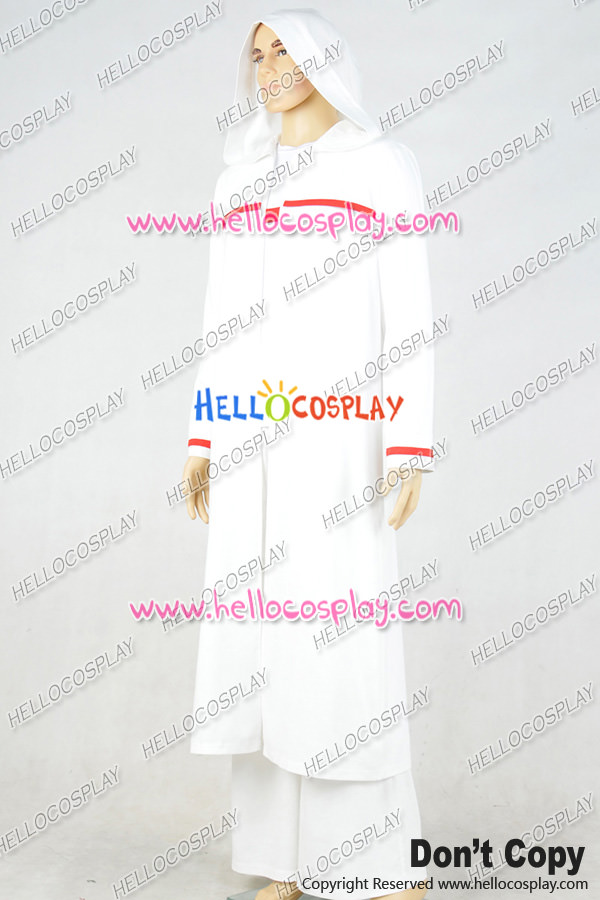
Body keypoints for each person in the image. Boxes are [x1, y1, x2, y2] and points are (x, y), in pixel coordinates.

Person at [182, 9, 435, 900]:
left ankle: (386, 865)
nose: (269, 67)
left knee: (342, 644)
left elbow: (409, 311)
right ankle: (288, 862)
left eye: (284, 48)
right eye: (257, 54)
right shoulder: (239, 183)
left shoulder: (381, 167)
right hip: (250, 444)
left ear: (325, 57)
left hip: (341, 444)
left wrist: (408, 442)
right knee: (264, 647)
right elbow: (221, 320)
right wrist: (204, 437)